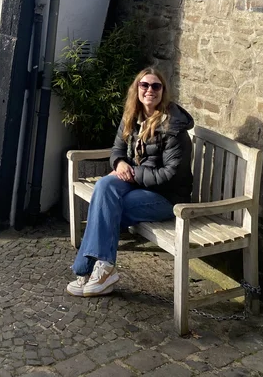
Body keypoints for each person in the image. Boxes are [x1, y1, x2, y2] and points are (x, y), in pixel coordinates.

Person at [67, 67, 194, 297]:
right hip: (140, 184)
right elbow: (117, 149)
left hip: (168, 198)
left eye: (156, 86)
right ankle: (98, 269)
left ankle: (94, 270)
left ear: (163, 91)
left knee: (105, 206)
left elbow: (171, 175)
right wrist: (119, 164)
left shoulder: (173, 127)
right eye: (144, 85)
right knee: (104, 187)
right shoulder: (132, 117)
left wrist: (132, 173)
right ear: (137, 89)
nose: (149, 90)